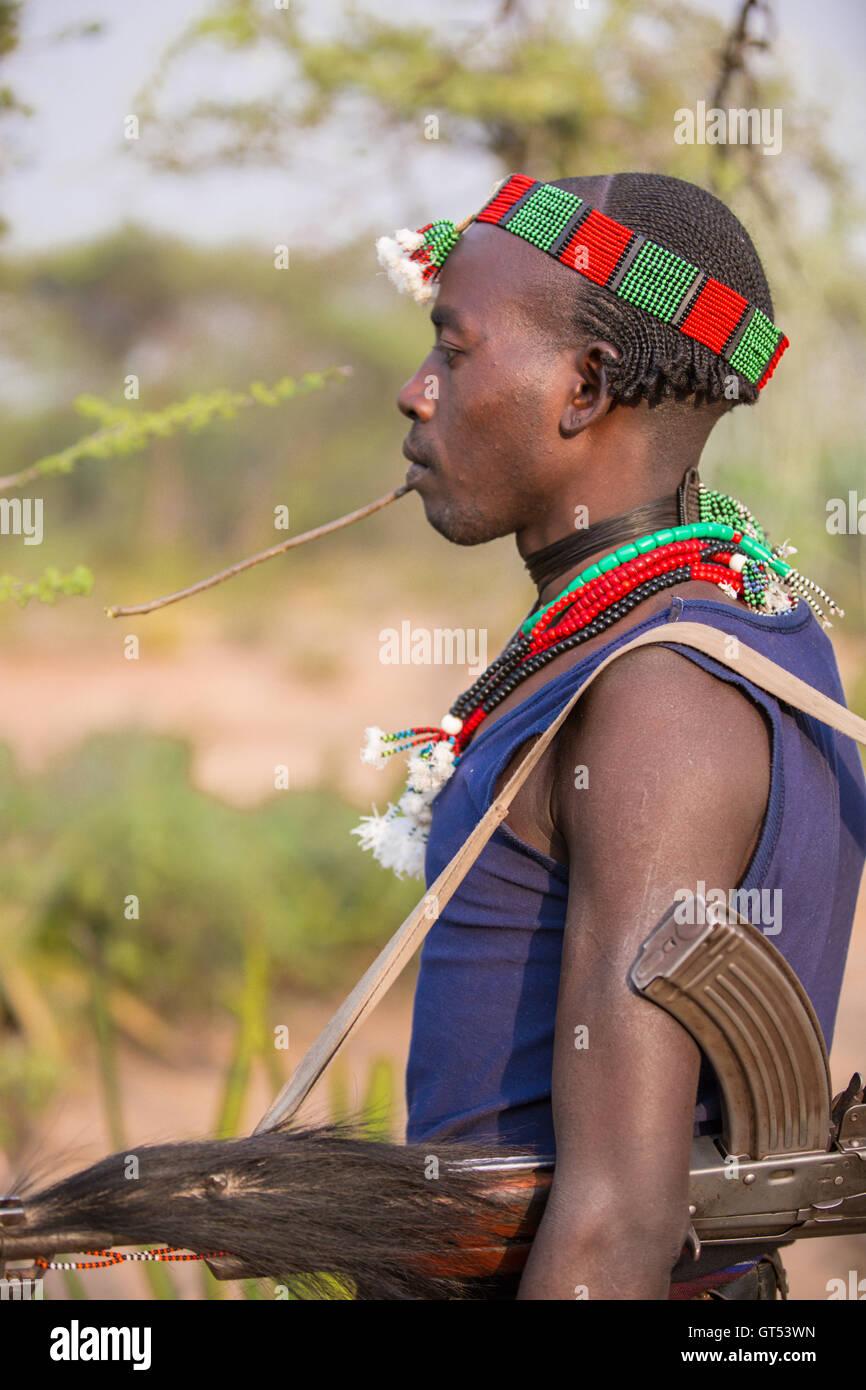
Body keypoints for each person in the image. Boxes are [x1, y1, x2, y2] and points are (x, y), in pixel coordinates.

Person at [356, 172, 866, 1299]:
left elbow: (616, 1223)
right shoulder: (712, 628)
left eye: (453, 351)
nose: (415, 391)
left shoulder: (657, 695)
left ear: (583, 387)